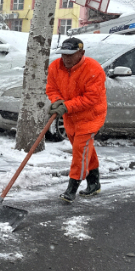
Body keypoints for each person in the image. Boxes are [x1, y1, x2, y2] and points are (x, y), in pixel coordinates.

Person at [46, 37, 107, 203]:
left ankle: (71, 189)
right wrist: (57, 101)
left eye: (71, 54)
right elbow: (52, 89)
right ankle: (94, 184)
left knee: (80, 151)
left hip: (91, 116)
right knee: (85, 149)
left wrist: (66, 106)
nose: (66, 58)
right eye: (64, 54)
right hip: (71, 117)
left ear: (82, 53)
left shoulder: (93, 70)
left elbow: (91, 98)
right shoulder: (55, 67)